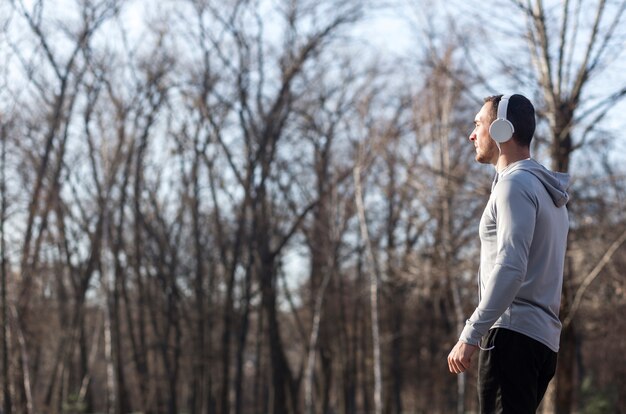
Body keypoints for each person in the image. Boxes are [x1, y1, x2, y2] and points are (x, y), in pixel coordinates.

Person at [447, 94, 570, 413]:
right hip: (541, 342)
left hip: (511, 335)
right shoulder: (546, 191)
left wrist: (471, 332)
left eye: (478, 124)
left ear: (501, 130)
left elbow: (511, 266)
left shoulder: (514, 186)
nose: (472, 135)